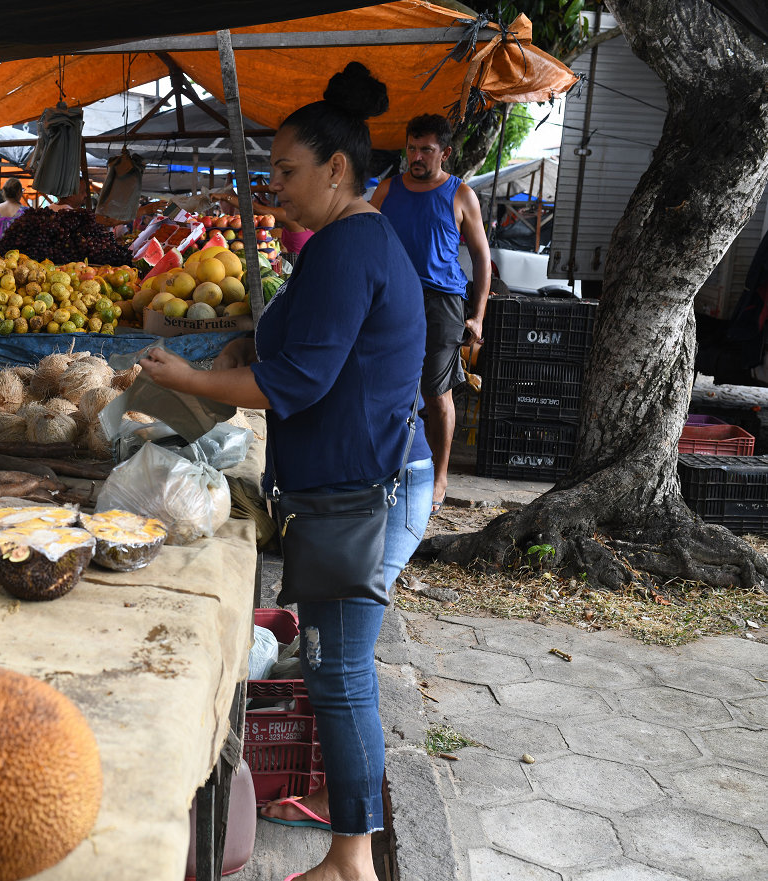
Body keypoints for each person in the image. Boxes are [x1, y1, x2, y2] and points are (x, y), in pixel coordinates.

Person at [138, 63, 432, 881]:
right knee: (338, 668)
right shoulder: (350, 241)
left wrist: (192, 382)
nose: (274, 186)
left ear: (336, 168)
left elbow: (296, 382)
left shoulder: (347, 244)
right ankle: (351, 852)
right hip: (353, 482)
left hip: (362, 491)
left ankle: (352, 860)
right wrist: (241, 349)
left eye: (286, 170)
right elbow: (308, 351)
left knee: (339, 674)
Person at [371, 114, 491, 512]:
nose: (417, 157)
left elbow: (481, 257)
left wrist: (477, 315)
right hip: (391, 297)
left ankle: (440, 476)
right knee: (386, 384)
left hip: (442, 303)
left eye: (426, 150)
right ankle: (389, 466)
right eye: (411, 148)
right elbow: (364, 233)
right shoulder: (387, 190)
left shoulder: (461, 194)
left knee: (436, 394)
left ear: (446, 152)